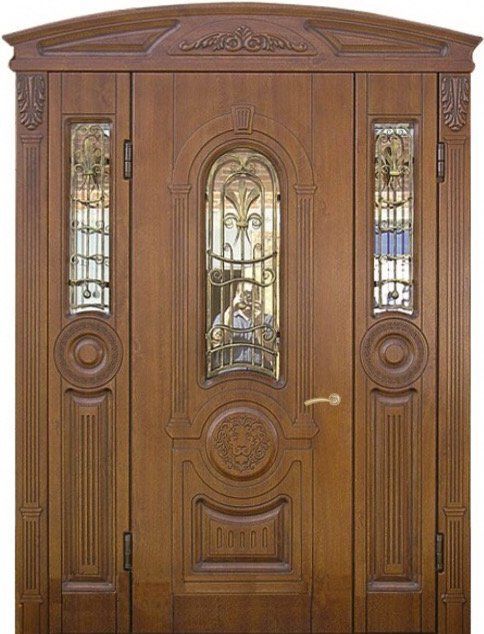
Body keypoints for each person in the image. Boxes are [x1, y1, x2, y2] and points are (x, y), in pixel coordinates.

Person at [210, 281, 274, 370]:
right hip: (229, 373)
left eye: (251, 294)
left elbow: (270, 355)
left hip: (259, 374)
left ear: (258, 296)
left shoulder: (268, 320)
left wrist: (258, 323)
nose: (248, 298)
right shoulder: (223, 317)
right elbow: (216, 344)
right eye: (244, 293)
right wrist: (230, 311)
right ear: (237, 294)